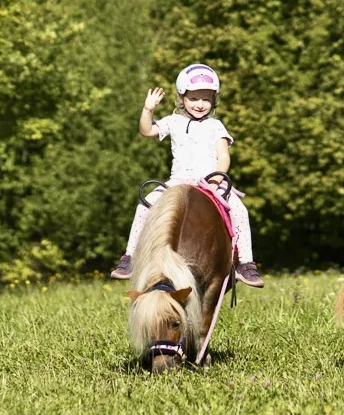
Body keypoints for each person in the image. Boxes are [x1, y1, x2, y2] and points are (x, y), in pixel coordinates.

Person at [110, 64, 263, 287]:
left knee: (240, 209)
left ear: (213, 100)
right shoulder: (173, 121)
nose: (200, 104)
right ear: (182, 97)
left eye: (206, 99)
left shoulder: (215, 125)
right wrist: (147, 110)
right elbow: (147, 131)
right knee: (144, 206)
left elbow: (224, 156)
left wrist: (218, 177)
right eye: (194, 98)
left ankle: (246, 264)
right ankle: (129, 258)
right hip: (177, 181)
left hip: (209, 181)